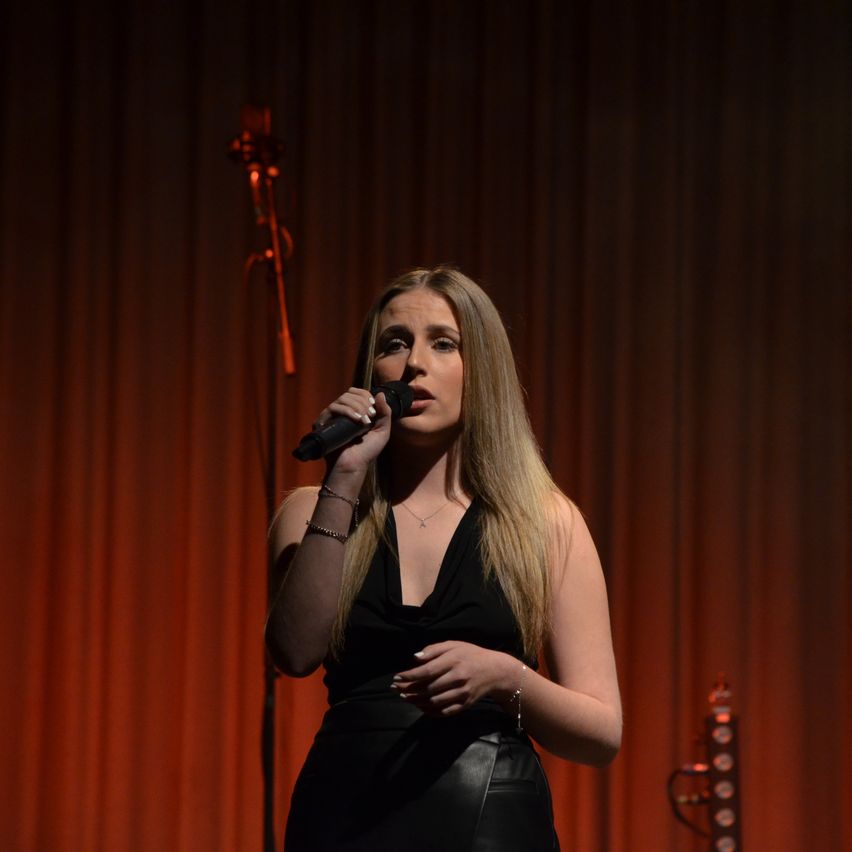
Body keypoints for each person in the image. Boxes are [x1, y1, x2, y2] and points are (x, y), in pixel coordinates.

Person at [265, 266, 621, 851]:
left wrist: (509, 678)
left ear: (482, 371)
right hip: (344, 814)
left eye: (444, 343)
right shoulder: (315, 509)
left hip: (490, 814)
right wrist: (346, 477)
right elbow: (296, 652)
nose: (413, 365)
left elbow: (601, 733)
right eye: (394, 344)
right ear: (371, 370)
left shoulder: (544, 521)